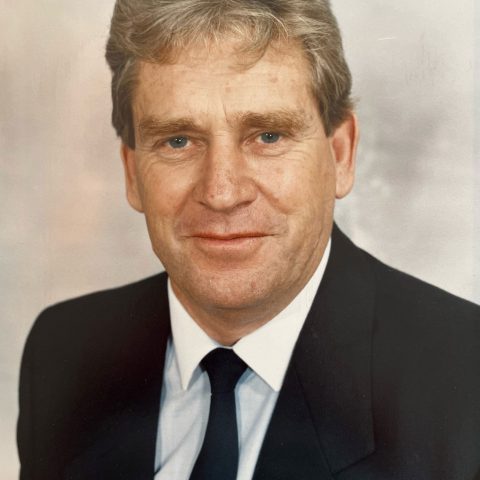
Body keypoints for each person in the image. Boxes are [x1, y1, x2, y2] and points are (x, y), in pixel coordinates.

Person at [17, 1, 480, 479]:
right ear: (132, 172)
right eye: (178, 141)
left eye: (268, 136)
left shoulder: (465, 379)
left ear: (341, 153)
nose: (222, 193)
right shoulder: (64, 353)